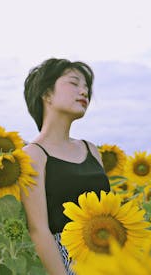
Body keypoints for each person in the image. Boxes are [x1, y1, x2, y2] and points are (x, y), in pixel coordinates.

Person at [21, 58, 111, 275]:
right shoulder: (33, 155)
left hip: (109, 255)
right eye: (74, 83)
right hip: (67, 260)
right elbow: (38, 229)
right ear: (47, 94)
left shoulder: (91, 150)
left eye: (86, 88)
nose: (84, 92)